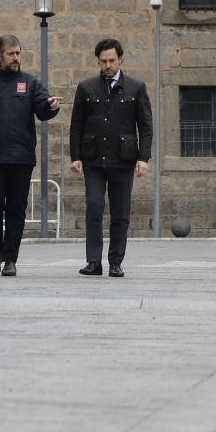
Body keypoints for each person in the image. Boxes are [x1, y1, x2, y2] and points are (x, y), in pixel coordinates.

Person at [0, 35, 61, 277]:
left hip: (21, 158)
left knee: (17, 209)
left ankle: (10, 259)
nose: (16, 58)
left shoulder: (30, 83)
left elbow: (42, 109)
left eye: (18, 53)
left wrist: (51, 106)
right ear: (0, 56)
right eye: (11, 54)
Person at [69, 39, 153, 278]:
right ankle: (93, 261)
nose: (108, 65)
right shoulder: (86, 88)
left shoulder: (136, 88)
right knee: (94, 207)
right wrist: (75, 156)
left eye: (112, 61)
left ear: (121, 60)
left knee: (120, 213)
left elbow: (145, 126)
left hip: (123, 160)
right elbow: (77, 125)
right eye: (103, 61)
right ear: (98, 61)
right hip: (94, 160)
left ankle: (116, 261)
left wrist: (143, 157)